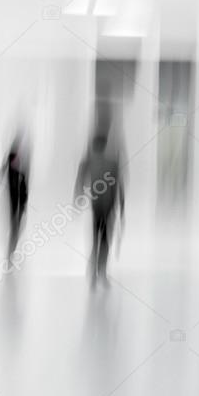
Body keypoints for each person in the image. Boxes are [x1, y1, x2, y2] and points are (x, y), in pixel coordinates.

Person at [76, 121, 125, 288]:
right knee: (103, 239)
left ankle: (96, 270)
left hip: (100, 206)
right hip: (107, 206)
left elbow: (81, 178)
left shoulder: (93, 162)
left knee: (98, 238)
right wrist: (121, 208)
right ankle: (99, 270)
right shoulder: (111, 163)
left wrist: (79, 195)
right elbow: (119, 187)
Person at [0, 133, 29, 260]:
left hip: (16, 197)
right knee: (16, 225)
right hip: (15, 197)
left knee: (16, 225)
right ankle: (11, 251)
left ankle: (11, 251)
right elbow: (5, 171)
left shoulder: (15, 162)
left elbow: (4, 171)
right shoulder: (15, 161)